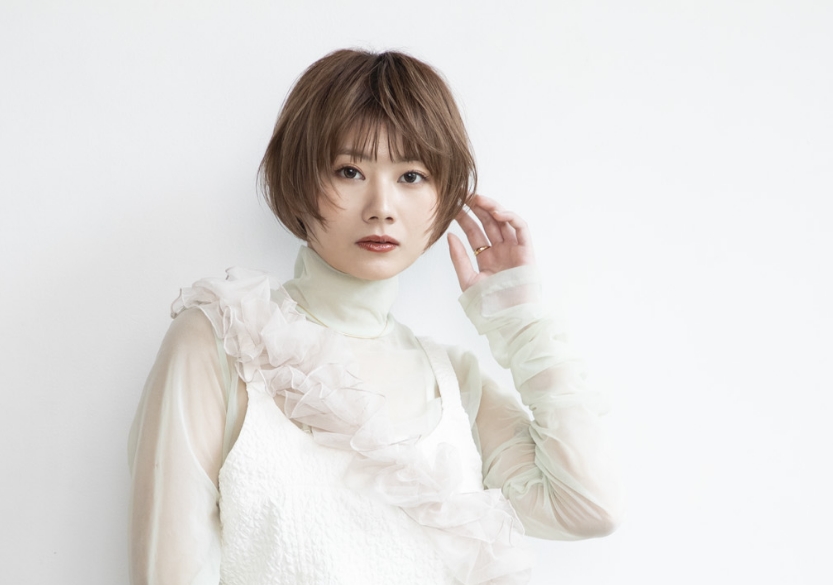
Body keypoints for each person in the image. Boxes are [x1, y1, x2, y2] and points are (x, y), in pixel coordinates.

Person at [128, 49, 621, 585]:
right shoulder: (220, 341)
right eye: (350, 171)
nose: (381, 206)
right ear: (298, 180)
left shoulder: (453, 384)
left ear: (443, 197)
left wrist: (518, 320)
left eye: (411, 175)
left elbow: (586, 508)